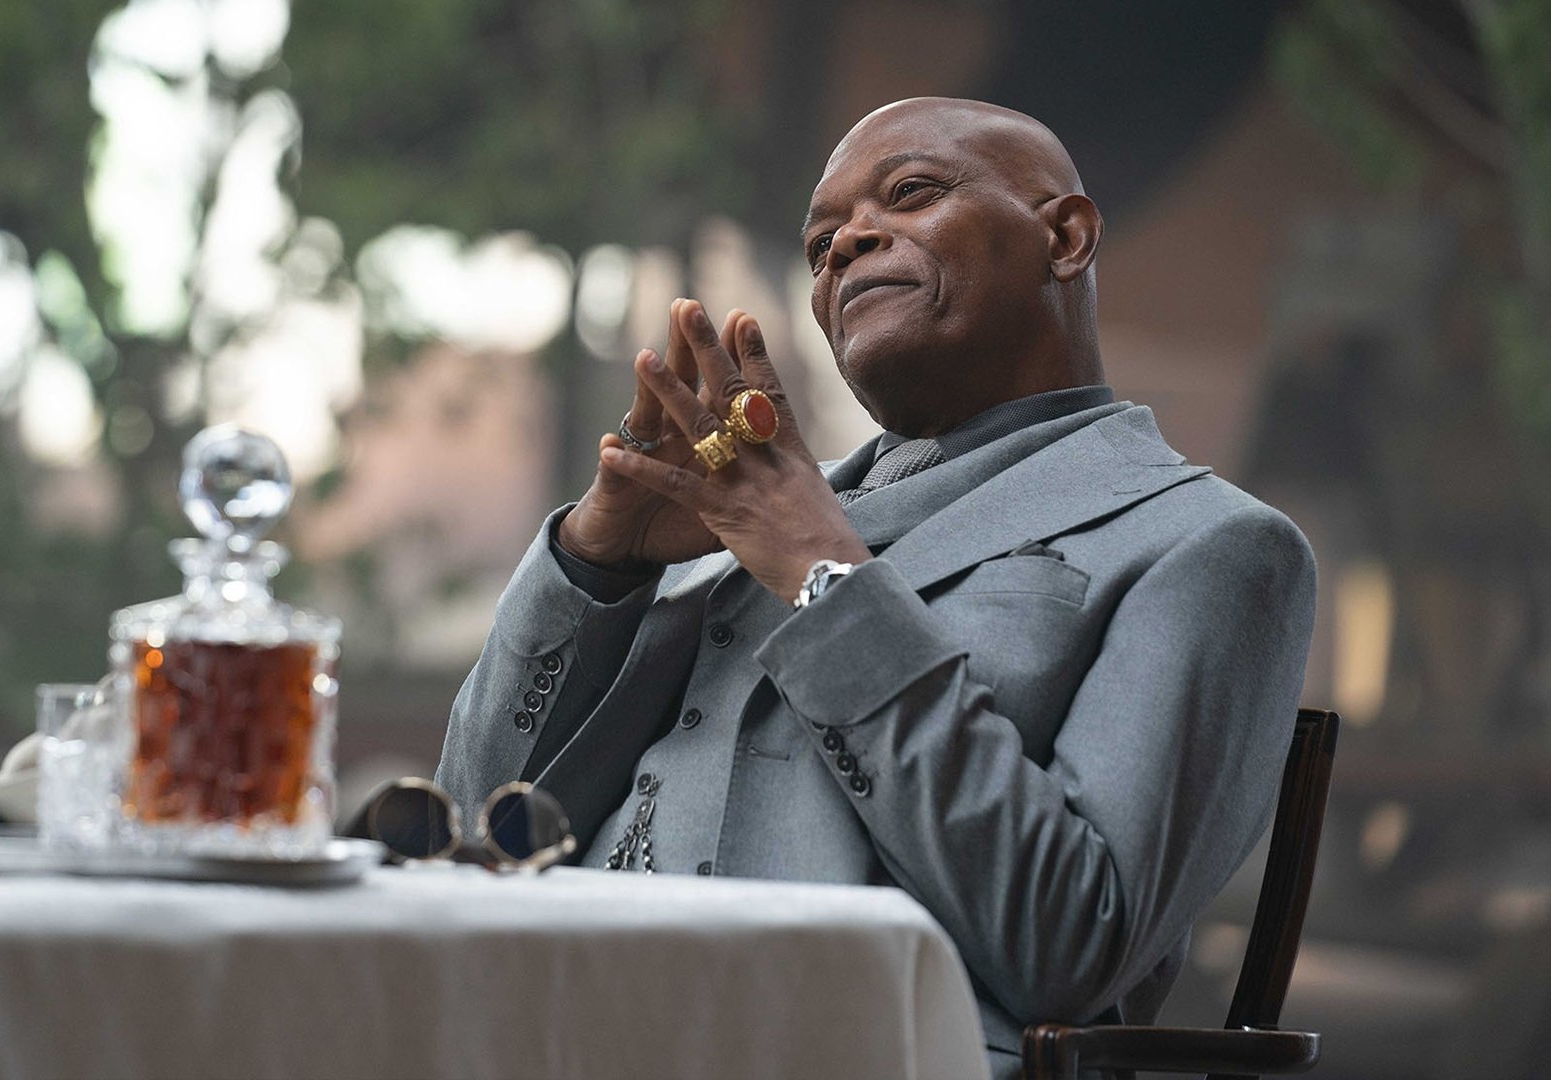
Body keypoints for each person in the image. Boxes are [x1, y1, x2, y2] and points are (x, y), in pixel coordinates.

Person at [435, 97, 1316, 1076]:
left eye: (912, 192)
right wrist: (595, 568)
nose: (847, 244)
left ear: (1064, 238)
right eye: (820, 245)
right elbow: (466, 843)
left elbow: (1069, 941)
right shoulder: (739, 519)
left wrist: (823, 577)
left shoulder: (1210, 545)